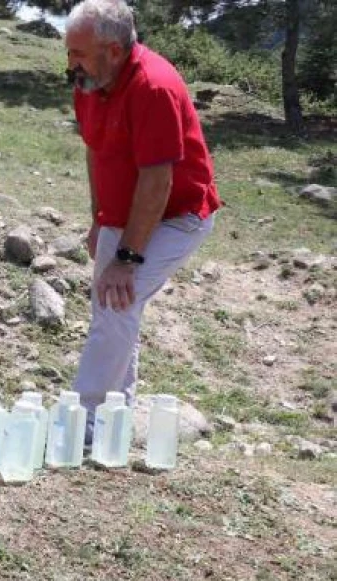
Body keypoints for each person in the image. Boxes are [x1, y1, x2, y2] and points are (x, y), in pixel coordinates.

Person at [64, 0, 221, 433]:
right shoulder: (90, 82)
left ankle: (85, 424)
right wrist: (99, 218)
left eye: (78, 53)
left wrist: (127, 257)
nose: (70, 63)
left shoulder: (154, 86)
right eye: (68, 52)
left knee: (115, 304)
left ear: (113, 51)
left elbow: (158, 184)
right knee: (114, 308)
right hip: (123, 214)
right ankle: (113, 420)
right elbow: (96, 151)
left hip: (176, 216)